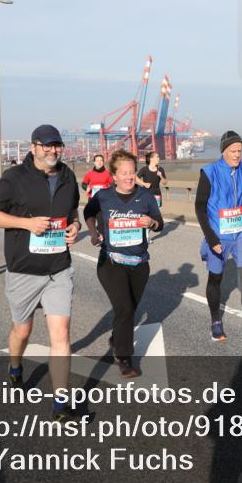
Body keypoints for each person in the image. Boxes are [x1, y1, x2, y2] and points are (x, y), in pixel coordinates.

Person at [0, 125, 81, 422]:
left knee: (61, 335)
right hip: (24, 270)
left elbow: (72, 212)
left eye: (57, 145)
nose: (53, 150)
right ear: (34, 147)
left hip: (58, 268)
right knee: (22, 331)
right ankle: (15, 366)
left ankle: (60, 404)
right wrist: (27, 224)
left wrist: (74, 226)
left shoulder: (67, 176)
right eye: (47, 145)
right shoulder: (14, 178)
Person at [84, 149, 163, 377]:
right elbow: (88, 213)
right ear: (114, 176)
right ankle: (124, 357)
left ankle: (117, 338)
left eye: (132, 172)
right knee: (125, 308)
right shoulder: (104, 196)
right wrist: (93, 233)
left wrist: (152, 223)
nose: (129, 177)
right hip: (111, 262)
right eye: (124, 173)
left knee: (129, 309)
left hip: (140, 263)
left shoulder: (145, 196)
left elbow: (160, 223)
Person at [195, 131, 242, 349]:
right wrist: (211, 238)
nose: (237, 155)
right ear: (223, 151)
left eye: (239, 151)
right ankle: (216, 322)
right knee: (215, 278)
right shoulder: (209, 172)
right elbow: (199, 207)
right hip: (218, 235)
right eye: (233, 151)